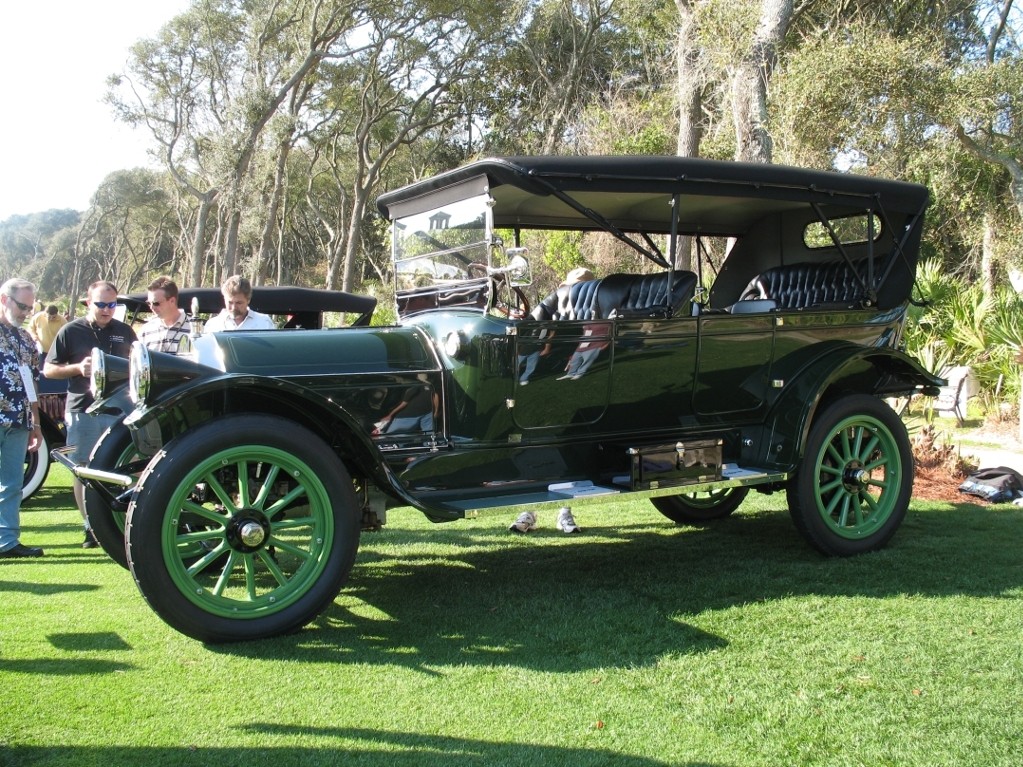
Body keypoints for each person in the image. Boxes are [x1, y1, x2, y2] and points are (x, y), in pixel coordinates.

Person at [44, 281, 137, 549]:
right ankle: (90, 527)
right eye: (101, 304)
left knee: (120, 469)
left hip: (119, 410)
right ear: (88, 302)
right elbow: (48, 369)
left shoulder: (125, 331)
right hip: (82, 409)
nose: (107, 310)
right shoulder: (70, 331)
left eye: (111, 304)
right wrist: (76, 368)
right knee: (83, 470)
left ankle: (118, 525)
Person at [508, 267, 596, 535]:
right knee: (533, 442)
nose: (573, 292)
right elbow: (536, 329)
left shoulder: (595, 310)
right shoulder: (551, 306)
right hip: (544, 381)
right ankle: (528, 511)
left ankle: (564, 513)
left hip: (576, 381)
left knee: (568, 443)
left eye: (580, 287)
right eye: (571, 286)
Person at [0, 278, 45, 558]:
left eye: (29, 308)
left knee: (12, 484)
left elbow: (32, 384)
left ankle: (6, 542)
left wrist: (36, 424)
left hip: (18, 422)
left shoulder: (26, 339)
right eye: (21, 306)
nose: (25, 313)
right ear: (4, 299)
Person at [138, 276, 192, 353]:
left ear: (172, 301)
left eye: (156, 303)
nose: (152, 307)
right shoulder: (145, 330)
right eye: (149, 303)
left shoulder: (194, 328)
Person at [204, 275, 276, 331]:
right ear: (224, 299)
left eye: (239, 303)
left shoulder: (264, 322)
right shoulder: (213, 325)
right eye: (230, 302)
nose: (234, 307)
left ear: (248, 300)